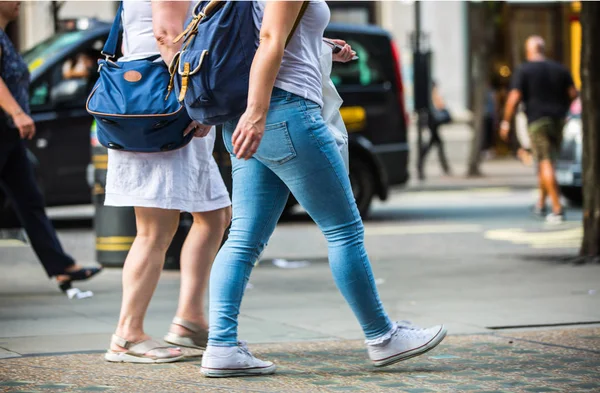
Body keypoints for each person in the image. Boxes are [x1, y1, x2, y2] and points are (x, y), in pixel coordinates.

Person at [200, 1, 447, 378]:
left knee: (244, 238)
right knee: (344, 229)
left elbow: (262, 34)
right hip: (282, 110)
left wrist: (321, 43)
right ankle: (382, 336)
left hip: (246, 114)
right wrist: (257, 111)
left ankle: (221, 345)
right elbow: (269, 38)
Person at [103, 0, 231, 363]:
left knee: (214, 214)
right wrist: (196, 98)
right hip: (162, 109)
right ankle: (127, 335)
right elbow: (166, 34)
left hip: (163, 106)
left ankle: (189, 319)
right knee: (155, 230)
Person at [0, 1, 102, 292]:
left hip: (9, 135)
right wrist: (18, 113)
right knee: (28, 200)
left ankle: (60, 266)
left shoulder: (5, 36)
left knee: (29, 200)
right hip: (5, 127)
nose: (18, 2)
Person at [500, 36, 577, 224]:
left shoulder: (524, 70)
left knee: (545, 162)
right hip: (559, 121)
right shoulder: (560, 69)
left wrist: (505, 122)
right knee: (548, 161)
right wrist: (564, 109)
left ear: (529, 51)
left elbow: (514, 97)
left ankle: (557, 209)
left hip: (537, 121)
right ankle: (541, 204)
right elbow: (573, 94)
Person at [418, 81, 452, 180]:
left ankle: (445, 167)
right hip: (433, 123)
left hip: (433, 123)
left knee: (438, 144)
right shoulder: (432, 94)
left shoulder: (430, 94)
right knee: (431, 146)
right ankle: (421, 167)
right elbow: (439, 105)